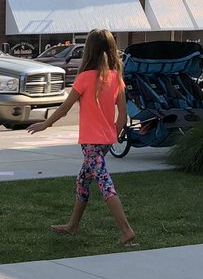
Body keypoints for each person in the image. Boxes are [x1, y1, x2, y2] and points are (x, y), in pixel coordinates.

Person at [27, 27, 136, 246]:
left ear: (89, 50)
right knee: (83, 180)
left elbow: (65, 108)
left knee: (105, 184)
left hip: (91, 142)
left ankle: (126, 230)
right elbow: (123, 114)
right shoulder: (116, 77)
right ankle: (73, 225)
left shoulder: (85, 78)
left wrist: (46, 124)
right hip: (105, 141)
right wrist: (112, 134)